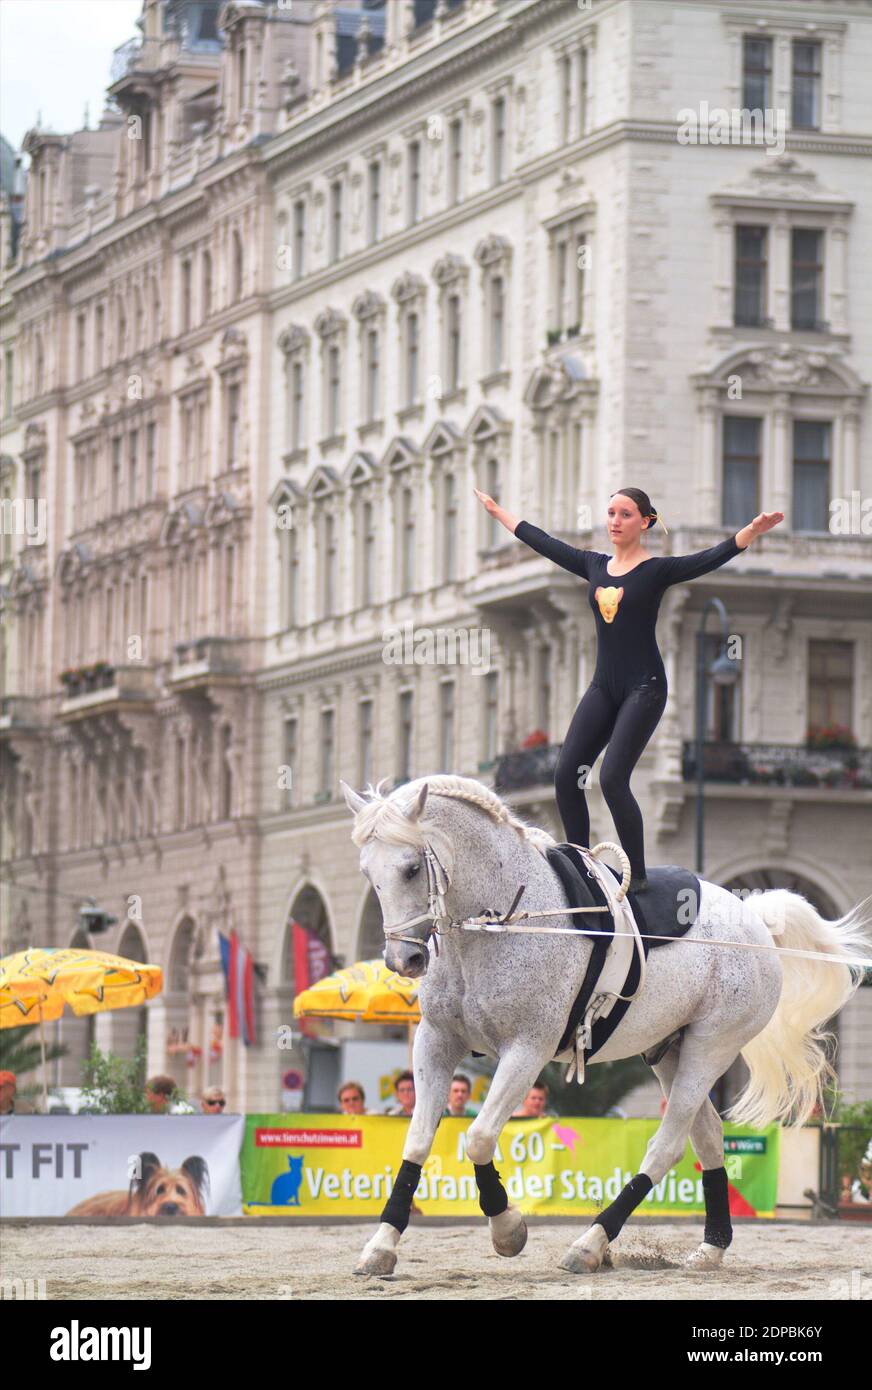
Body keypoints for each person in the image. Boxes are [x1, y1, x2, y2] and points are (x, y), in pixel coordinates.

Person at [475, 486, 783, 890]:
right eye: (611, 514)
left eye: (624, 514)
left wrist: (749, 533)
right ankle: (580, 867)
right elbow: (545, 543)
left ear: (645, 521)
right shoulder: (593, 564)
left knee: (613, 778)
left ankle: (637, 876)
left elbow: (706, 559)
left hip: (645, 687)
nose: (615, 522)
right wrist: (500, 513)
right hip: (604, 687)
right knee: (568, 775)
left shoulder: (656, 571)